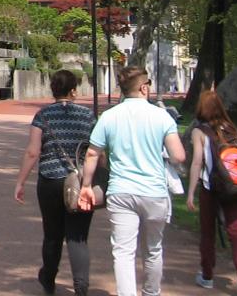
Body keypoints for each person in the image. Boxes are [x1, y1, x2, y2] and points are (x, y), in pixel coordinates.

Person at [78, 66, 186, 296]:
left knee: (123, 252)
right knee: (153, 249)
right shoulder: (162, 116)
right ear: (144, 88)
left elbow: (92, 153)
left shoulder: (109, 116)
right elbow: (178, 156)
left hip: (121, 191)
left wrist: (86, 186)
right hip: (154, 192)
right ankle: (151, 292)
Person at [14, 69, 96, 296]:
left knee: (52, 235)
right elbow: (96, 151)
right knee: (78, 237)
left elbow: (33, 151)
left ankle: (48, 279)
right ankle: (81, 285)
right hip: (80, 181)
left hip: (50, 179)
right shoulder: (88, 116)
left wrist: (20, 182)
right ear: (73, 91)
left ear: (53, 90)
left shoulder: (43, 116)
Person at [187, 86, 237, 295]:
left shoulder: (199, 132)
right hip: (233, 187)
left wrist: (190, 193)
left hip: (210, 187)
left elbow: (197, 162)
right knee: (236, 233)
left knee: (207, 233)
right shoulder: (232, 129)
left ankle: (207, 276)